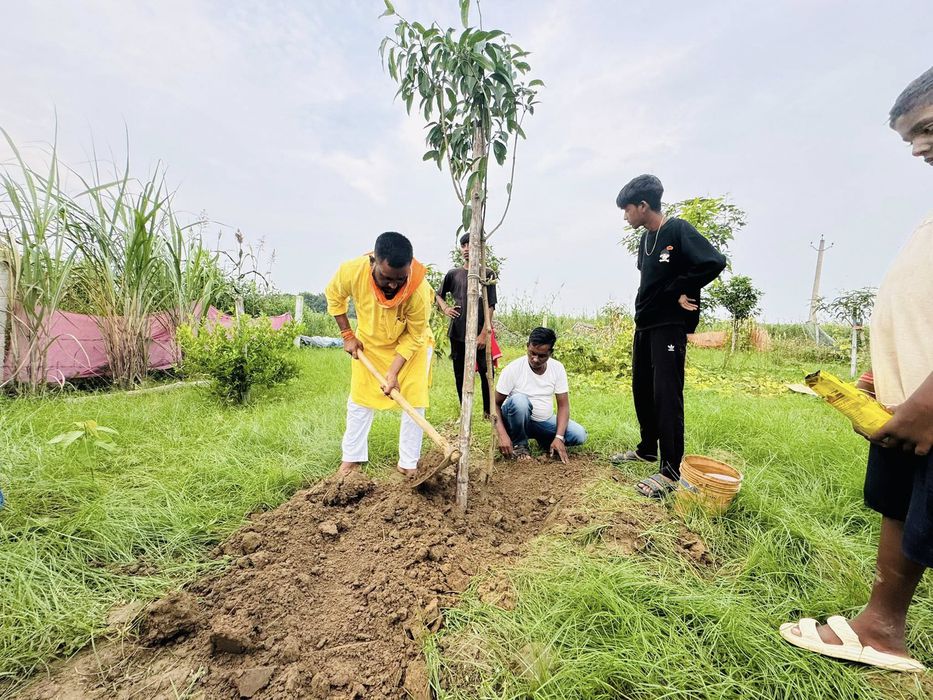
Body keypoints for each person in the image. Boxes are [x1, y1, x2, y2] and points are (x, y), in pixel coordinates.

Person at [779, 66, 933, 674]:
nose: (919, 147)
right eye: (909, 140)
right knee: (900, 508)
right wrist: (890, 374)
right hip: (908, 400)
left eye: (926, 128)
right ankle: (881, 627)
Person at [610, 174, 726, 498]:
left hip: (669, 326)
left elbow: (713, 262)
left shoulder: (677, 230)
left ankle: (671, 471)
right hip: (645, 323)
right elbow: (651, 279)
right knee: (642, 389)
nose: (625, 216)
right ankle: (647, 448)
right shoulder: (644, 241)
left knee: (666, 394)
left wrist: (680, 289)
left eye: (627, 209)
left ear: (643, 206)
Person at [326, 231, 433, 478]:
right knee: (360, 400)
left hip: (410, 348)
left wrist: (394, 371)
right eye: (387, 278)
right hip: (369, 345)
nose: (393, 285)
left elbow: (415, 335)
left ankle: (408, 463)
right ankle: (351, 460)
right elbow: (334, 297)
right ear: (373, 262)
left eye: (400, 279)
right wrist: (347, 336)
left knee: (414, 402)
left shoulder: (418, 290)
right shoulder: (351, 272)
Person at [494, 327, 587, 463]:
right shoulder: (513, 369)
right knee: (520, 401)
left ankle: (546, 441)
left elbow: (563, 406)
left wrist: (559, 437)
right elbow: (494, 404)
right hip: (514, 420)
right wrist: (502, 435)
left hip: (542, 421)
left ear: (550, 353)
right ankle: (520, 445)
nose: (535, 359)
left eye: (542, 356)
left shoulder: (557, 368)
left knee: (579, 435)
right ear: (527, 346)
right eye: (532, 353)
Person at [436, 233, 498, 418]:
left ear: (479, 248)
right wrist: (445, 307)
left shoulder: (487, 274)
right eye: (463, 245)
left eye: (470, 245)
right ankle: (465, 410)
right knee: (459, 373)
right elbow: (438, 294)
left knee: (487, 373)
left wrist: (484, 334)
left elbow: (490, 305)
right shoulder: (453, 274)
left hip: (480, 333)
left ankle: (489, 412)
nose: (466, 249)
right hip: (457, 333)